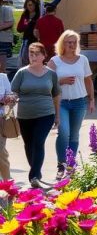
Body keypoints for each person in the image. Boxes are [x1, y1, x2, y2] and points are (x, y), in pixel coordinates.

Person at [11, 42, 60, 187]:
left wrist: (57, 115)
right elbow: (14, 91)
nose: (33, 57)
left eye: (36, 54)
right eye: (31, 54)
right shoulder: (22, 73)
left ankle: (34, 176)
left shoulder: (51, 74)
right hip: (25, 115)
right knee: (29, 145)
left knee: (38, 142)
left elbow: (56, 95)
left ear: (44, 56)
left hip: (45, 114)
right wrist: (12, 97)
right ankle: (36, 170)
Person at [47, 30, 94, 178]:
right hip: (61, 103)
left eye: (74, 42)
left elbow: (88, 80)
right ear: (63, 43)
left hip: (79, 102)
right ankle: (61, 164)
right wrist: (61, 81)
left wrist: (91, 99)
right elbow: (47, 83)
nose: (72, 45)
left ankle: (71, 165)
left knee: (74, 135)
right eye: (69, 42)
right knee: (64, 133)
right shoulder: (55, 61)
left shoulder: (83, 59)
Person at [17, 0, 41, 66]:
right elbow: (19, 29)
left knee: (34, 60)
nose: (30, 7)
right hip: (26, 40)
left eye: (31, 5)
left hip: (36, 41)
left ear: (35, 5)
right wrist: (27, 24)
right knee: (24, 59)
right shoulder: (25, 15)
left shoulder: (39, 15)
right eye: (28, 5)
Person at [0, 70, 11, 180]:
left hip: (1, 120)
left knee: (1, 152)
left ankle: (7, 184)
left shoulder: (2, 77)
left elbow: (11, 96)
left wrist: (9, 99)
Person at [0, 0, 14, 73]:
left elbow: (10, 23)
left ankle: (3, 82)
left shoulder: (6, 9)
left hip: (3, 40)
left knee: (2, 67)